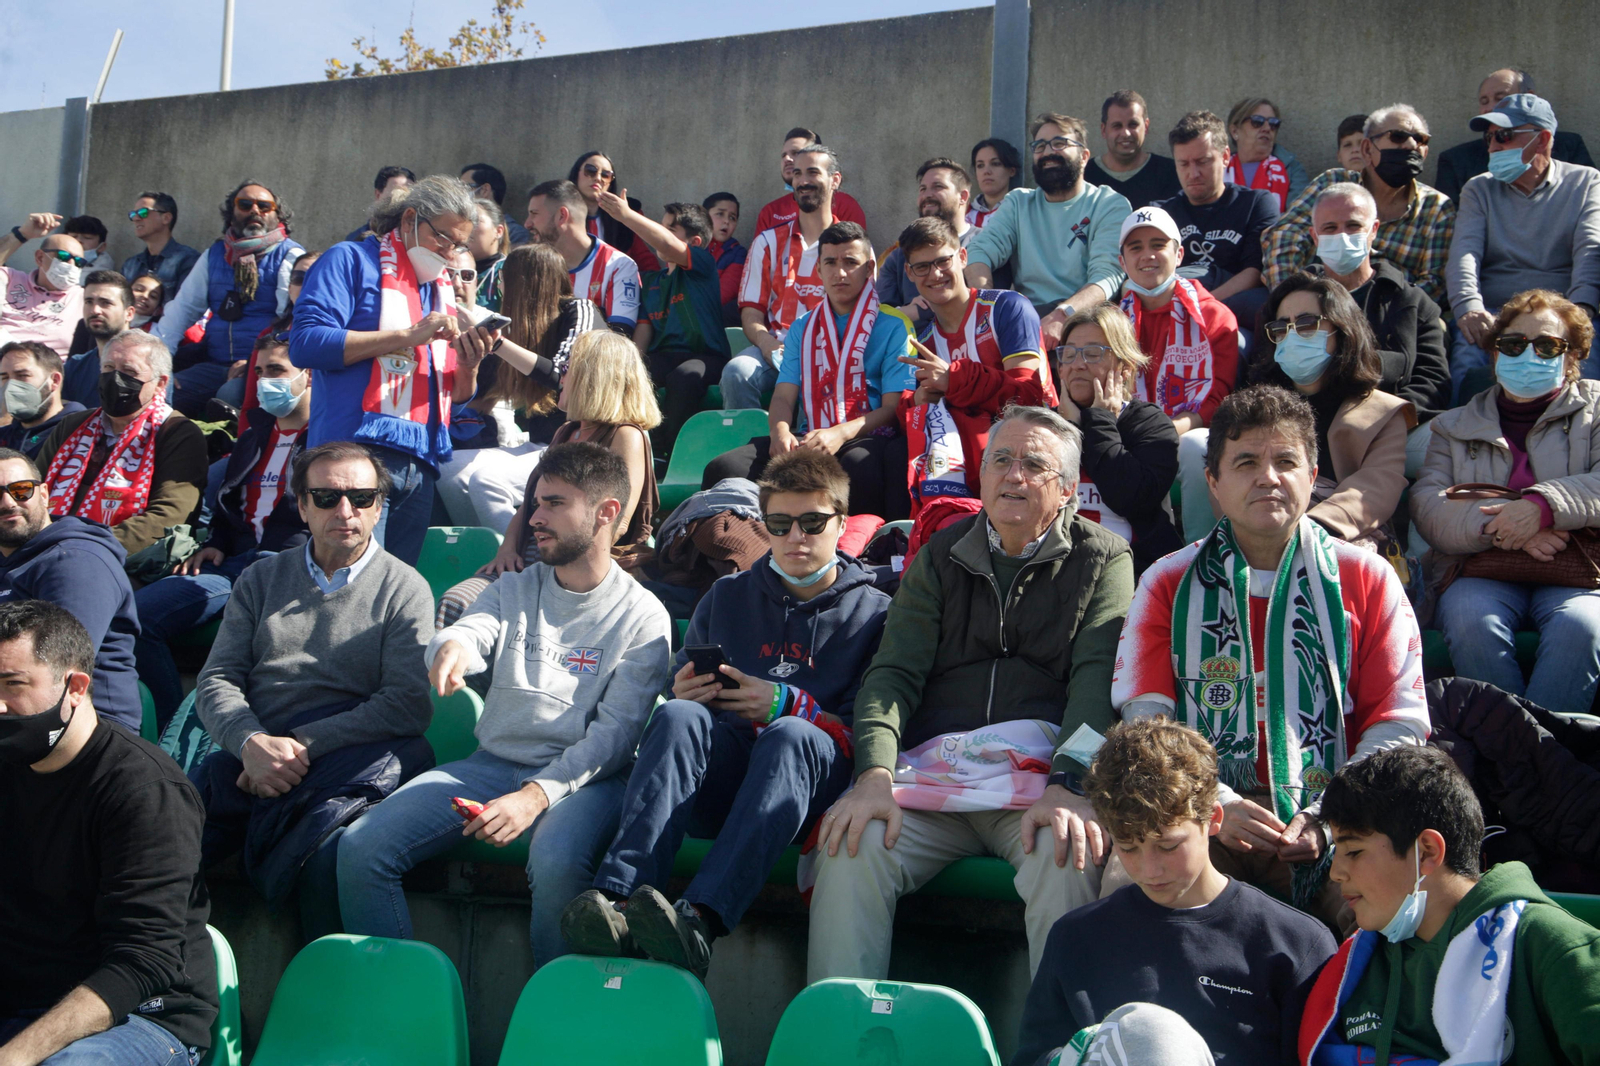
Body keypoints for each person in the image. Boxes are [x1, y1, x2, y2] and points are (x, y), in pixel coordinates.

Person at [808, 405, 1135, 981]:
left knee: (1068, 852)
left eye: (1034, 464)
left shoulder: (1104, 557)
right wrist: (874, 776)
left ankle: (1060, 1047)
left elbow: (1096, 678)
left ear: (1064, 491)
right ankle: (840, 1035)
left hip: (1039, 782)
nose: (1013, 475)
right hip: (935, 773)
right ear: (979, 477)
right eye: (1000, 460)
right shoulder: (940, 552)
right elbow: (892, 675)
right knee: (850, 843)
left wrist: (1069, 784)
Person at [339, 442, 672, 968]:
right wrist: (450, 646)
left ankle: (552, 1019)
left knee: (557, 859)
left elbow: (614, 739)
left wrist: (536, 796)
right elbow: (475, 629)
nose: (534, 518)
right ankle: (397, 1004)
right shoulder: (512, 587)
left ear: (607, 513)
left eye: (554, 503)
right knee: (360, 849)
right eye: (534, 502)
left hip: (587, 782)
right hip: (490, 768)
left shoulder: (644, 616)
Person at [561, 449, 890, 978]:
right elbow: (687, 682)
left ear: (841, 524)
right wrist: (688, 689)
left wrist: (786, 702)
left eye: (812, 523)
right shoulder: (728, 595)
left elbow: (866, 730)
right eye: (780, 525)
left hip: (814, 786)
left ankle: (700, 919)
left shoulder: (876, 612)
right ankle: (617, 900)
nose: (796, 538)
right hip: (731, 774)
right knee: (677, 718)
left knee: (789, 734)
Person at [1111, 384, 1429, 925]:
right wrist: (1219, 805)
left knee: (1399, 906)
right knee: (1128, 887)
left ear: (1312, 476)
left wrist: (1330, 815)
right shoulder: (1166, 581)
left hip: (1340, 815)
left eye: (1286, 461)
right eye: (1246, 462)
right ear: (1213, 483)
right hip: (1199, 812)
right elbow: (1149, 725)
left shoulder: (1369, 578)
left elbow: (1399, 722)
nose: (1268, 477)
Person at [191, 441, 434, 931]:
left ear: (379, 506)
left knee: (323, 855)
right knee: (159, 844)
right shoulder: (261, 578)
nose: (345, 511)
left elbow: (407, 705)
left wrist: (296, 748)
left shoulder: (406, 588)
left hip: (345, 757)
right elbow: (218, 678)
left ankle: (323, 991)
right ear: (301, 505)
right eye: (325, 497)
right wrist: (251, 743)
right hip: (254, 750)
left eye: (362, 498)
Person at [1014, 718, 1336, 1066]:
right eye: (1129, 846)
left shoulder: (1298, 945)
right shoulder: (1074, 938)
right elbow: (1036, 1056)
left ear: (1213, 819)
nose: (1149, 870)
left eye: (1168, 846)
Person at [0, 600, 219, 1066]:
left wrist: (14, 1058)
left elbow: (142, 963)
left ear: (75, 687)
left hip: (140, 1019)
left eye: (12, 685)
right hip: (19, 1001)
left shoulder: (145, 789)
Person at [1303, 745, 1600, 1065]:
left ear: (1428, 852)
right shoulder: (1357, 961)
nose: (1335, 873)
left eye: (1354, 851)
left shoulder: (1551, 947)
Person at [1411, 290, 1600, 716]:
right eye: (1513, 344)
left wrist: (1541, 508)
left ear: (1572, 358)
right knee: (1470, 620)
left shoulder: (1598, 407)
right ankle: (1517, 751)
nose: (1528, 354)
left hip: (1580, 571)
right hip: (1482, 567)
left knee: (1582, 628)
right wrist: (1504, 526)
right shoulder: (1452, 426)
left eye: (1548, 345)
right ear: (1496, 355)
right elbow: (1428, 504)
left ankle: (1540, 757)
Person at [289, 174, 493, 565]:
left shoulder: (441, 290)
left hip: (419, 460)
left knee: (391, 593)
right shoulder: (349, 259)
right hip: (351, 452)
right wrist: (405, 336)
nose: (450, 254)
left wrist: (469, 365)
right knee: (348, 586)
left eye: (459, 245)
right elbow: (306, 343)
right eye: (443, 238)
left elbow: (456, 395)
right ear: (409, 219)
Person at [133, 328, 311, 726]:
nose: (266, 381)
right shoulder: (253, 438)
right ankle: (167, 727)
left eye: (278, 370)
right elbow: (231, 506)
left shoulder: (327, 440)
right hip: (233, 565)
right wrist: (216, 542)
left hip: (287, 566)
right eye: (260, 371)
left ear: (309, 375)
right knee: (135, 619)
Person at [438, 331, 660, 628]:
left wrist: (560, 564)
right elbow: (531, 505)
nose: (561, 377)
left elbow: (617, 522)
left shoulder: (626, 435)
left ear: (593, 378)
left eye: (567, 369)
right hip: (530, 556)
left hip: (578, 564)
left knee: (503, 621)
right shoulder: (566, 432)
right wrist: (507, 550)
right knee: (455, 604)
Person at [703, 222, 916, 521]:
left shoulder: (894, 326)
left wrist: (839, 433)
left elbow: (894, 408)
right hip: (810, 435)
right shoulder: (802, 327)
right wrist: (780, 432)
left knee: (857, 466)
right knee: (724, 468)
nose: (839, 273)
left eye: (851, 263)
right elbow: (784, 396)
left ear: (869, 269)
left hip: (865, 436)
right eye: (830, 262)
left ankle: (861, 554)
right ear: (818, 269)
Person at [434, 245, 605, 527]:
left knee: (486, 481)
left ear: (522, 282)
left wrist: (497, 343)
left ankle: (519, 560)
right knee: (447, 470)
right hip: (540, 444)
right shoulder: (516, 327)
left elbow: (561, 374)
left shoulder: (580, 310)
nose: (499, 285)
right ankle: (487, 551)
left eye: (503, 277)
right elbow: (479, 394)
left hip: (585, 445)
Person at [896, 217, 1056, 510]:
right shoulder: (924, 341)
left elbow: (1030, 400)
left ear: (963, 257)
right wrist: (919, 401)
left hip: (1029, 451)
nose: (935, 274)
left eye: (943, 261)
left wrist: (955, 380)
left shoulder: (1008, 308)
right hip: (959, 462)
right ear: (909, 272)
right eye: (922, 266)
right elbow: (921, 422)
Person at [1445, 94, 1600, 397]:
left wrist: (1579, 314)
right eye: (1489, 137)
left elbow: (1589, 250)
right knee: (1466, 372)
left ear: (1542, 139)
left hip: (1565, 311)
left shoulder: (1586, 182)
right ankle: (1464, 441)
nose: (1492, 146)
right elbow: (1464, 254)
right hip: (1494, 315)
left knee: (1585, 386)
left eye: (1503, 135)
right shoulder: (1479, 188)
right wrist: (1468, 307)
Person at [1248, 274, 1412, 550]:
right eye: (1280, 327)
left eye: (1306, 323)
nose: (1292, 336)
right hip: (1259, 536)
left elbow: (1375, 487)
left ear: (1342, 329)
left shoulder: (1381, 411)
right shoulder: (1255, 408)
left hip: (1336, 540)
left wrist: (1311, 530)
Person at [1115, 205, 1239, 544]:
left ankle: (1202, 551)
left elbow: (1219, 398)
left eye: (1158, 244)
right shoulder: (1110, 322)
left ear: (1179, 253)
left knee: (1195, 447)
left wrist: (1165, 431)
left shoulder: (1213, 315)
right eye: (1135, 248)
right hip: (1127, 436)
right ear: (1122, 261)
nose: (1148, 256)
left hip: (1184, 436)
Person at [1306, 182, 1450, 475]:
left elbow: (1433, 380)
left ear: (1374, 231)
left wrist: (1385, 419)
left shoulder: (1411, 301)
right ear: (1315, 237)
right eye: (1330, 228)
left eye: (1353, 226)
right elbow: (1267, 370)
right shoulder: (1292, 301)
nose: (1342, 236)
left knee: (1451, 444)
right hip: (1306, 433)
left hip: (1395, 430)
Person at [0, 448, 141, 734]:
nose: (7, 502)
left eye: (21, 490)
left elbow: (54, 664)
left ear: (44, 494)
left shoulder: (76, 562)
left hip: (87, 732)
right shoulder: (10, 560)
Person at [964, 112, 1131, 349]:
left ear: (1084, 157)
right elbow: (980, 249)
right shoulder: (1018, 202)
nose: (1048, 152)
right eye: (1040, 146)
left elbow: (1107, 276)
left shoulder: (1108, 204)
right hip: (1026, 317)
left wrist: (1062, 315)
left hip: (1085, 318)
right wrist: (986, 305)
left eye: (1059, 143)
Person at [1262, 104, 1456, 305]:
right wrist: (1292, 299)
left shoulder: (1437, 208)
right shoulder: (1332, 183)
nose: (1410, 145)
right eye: (1398, 136)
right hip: (1315, 304)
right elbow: (1284, 236)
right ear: (1367, 148)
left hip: (1389, 315)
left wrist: (1372, 312)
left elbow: (1434, 282)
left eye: (1420, 139)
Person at [37, 330, 208, 558]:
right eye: (108, 369)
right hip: (43, 547)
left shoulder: (176, 432)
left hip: (118, 559)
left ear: (160, 384)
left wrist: (82, 549)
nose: (115, 379)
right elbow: (33, 489)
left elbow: (169, 515)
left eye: (129, 371)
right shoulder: (73, 425)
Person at [154, 180, 306, 416]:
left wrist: (254, 362)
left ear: (278, 216)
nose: (255, 211)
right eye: (245, 204)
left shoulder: (291, 255)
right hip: (216, 365)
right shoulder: (213, 255)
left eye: (264, 206)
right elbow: (180, 312)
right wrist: (157, 368)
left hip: (263, 368)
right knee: (161, 393)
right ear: (232, 213)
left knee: (230, 395)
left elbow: (290, 322)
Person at [1052, 305, 1180, 573]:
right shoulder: (1042, 426)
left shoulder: (1150, 424)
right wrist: (1068, 427)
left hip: (1134, 571)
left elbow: (1130, 498)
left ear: (1125, 367)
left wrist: (1098, 421)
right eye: (1069, 353)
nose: (1077, 364)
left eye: (1092, 353)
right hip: (1056, 573)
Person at [725, 144, 846, 410]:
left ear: (835, 180)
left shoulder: (853, 245)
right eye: (798, 173)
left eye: (813, 172)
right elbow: (751, 311)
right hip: (777, 347)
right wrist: (767, 343)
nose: (802, 181)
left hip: (832, 355)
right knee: (736, 372)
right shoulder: (767, 242)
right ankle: (749, 448)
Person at [604, 196, 730, 450]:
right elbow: (643, 333)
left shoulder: (702, 266)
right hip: (664, 356)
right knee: (631, 373)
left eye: (669, 229)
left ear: (694, 242)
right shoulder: (650, 282)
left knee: (684, 377)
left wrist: (626, 216)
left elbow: (670, 246)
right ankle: (628, 448)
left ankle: (672, 452)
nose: (659, 234)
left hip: (706, 357)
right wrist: (629, 368)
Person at [1154, 109, 1279, 333]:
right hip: (1174, 307)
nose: (1193, 173)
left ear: (1225, 157)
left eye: (1202, 162)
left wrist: (1204, 304)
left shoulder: (1256, 203)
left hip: (1232, 308)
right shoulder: (1160, 213)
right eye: (1183, 164)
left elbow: (1254, 271)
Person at [1434, 68, 1596, 203]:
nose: (1490, 108)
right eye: (1484, 101)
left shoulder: (1570, 150)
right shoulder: (1458, 162)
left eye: (1501, 99)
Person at [524, 178, 642, 335]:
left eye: (534, 214)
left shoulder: (618, 266)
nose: (527, 224)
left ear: (562, 216)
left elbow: (619, 337)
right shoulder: (531, 265)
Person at [875, 158, 975, 324]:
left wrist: (930, 307)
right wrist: (909, 312)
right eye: (923, 189)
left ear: (963, 196)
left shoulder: (985, 243)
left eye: (938, 187)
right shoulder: (900, 255)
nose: (927, 195)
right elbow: (880, 319)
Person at [0, 212, 86, 358]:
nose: (71, 264)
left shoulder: (84, 298)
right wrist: (22, 234)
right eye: (63, 257)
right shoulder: (10, 279)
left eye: (79, 262)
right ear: (40, 258)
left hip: (51, 373)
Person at [754, 127, 869, 234]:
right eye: (783, 155)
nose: (787, 159)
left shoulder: (845, 205)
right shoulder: (770, 211)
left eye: (795, 153)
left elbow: (856, 251)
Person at [1084, 90, 1182, 210]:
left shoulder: (1171, 174)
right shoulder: (1085, 175)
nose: (1125, 133)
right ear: (1104, 130)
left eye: (1133, 125)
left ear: (1145, 127)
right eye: (1117, 126)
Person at [566, 152, 661, 273]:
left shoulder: (627, 215)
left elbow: (644, 260)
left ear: (610, 183)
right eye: (590, 170)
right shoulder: (558, 213)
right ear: (576, 174)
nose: (598, 178)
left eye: (606, 175)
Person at [60, 269, 135, 409]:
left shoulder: (150, 364)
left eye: (105, 303)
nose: (95, 310)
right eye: (89, 301)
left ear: (129, 313)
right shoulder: (74, 367)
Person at [0, 342, 83, 459]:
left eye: (22, 375)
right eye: (5, 378)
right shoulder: (4, 437)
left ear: (54, 380)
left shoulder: (81, 434)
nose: (11, 386)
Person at [1224, 98, 1307, 211]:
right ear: (1235, 131)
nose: (1267, 128)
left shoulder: (1292, 169)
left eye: (1273, 123)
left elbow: (1298, 216)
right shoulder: (1218, 168)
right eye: (1257, 122)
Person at [121, 192, 202, 302]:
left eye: (143, 212)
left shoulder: (188, 260)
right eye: (132, 214)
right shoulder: (130, 265)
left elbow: (186, 307)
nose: (136, 218)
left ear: (166, 218)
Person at [461, 162, 533, 247]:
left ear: (485, 190)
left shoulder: (515, 234)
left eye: (464, 187)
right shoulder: (457, 225)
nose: (459, 193)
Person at [703, 192, 746, 325]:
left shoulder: (738, 254)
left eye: (732, 218)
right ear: (703, 217)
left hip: (711, 317)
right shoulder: (690, 247)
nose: (727, 221)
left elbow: (723, 294)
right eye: (720, 214)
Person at [345, 165, 416, 243]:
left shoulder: (418, 238)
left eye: (409, 193)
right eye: (397, 191)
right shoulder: (356, 242)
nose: (405, 198)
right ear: (378, 195)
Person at [968, 137, 1021, 229]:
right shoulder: (963, 213)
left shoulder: (1020, 211)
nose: (986, 171)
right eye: (980, 166)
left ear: (1012, 171)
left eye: (995, 164)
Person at [468, 197, 509, 311]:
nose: (468, 227)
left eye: (476, 221)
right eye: (465, 221)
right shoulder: (448, 270)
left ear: (498, 231)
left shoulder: (510, 271)